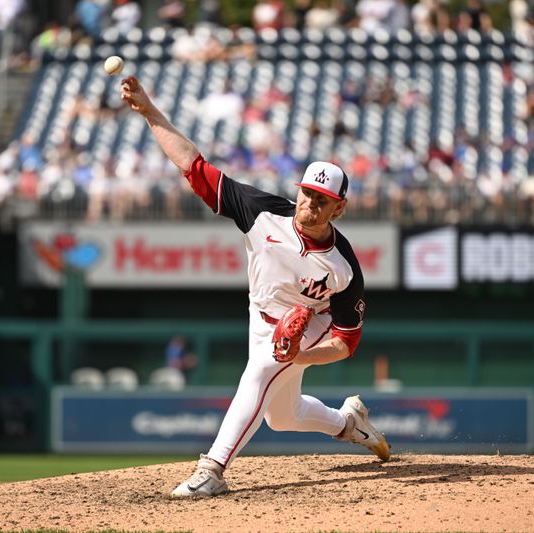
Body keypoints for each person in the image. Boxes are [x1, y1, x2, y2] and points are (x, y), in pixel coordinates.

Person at [120, 75, 390, 498]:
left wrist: (302, 353)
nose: (309, 203)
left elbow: (346, 343)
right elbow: (195, 168)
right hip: (261, 317)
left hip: (309, 323)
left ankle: (212, 469)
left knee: (260, 371)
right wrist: (151, 112)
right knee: (281, 417)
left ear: (339, 207)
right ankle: (348, 422)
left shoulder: (344, 266)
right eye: (306, 193)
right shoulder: (263, 213)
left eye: (321, 199)